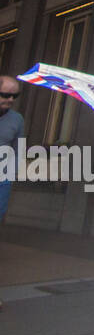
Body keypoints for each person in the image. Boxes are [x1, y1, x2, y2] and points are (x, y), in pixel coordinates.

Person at [0, 75, 24, 224]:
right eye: (5, 95)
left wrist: (11, 174)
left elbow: (18, 149)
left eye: (15, 96)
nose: (11, 100)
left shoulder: (17, 119)